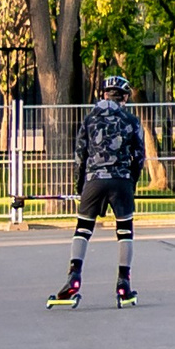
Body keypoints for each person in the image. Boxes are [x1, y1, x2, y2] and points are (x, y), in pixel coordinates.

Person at [49, 75, 147, 309]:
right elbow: (139, 156)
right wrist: (131, 182)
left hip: (94, 180)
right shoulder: (131, 120)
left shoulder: (90, 119)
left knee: (83, 229)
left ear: (103, 94)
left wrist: (80, 185)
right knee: (125, 231)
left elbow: (80, 156)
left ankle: (73, 276)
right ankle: (123, 282)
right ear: (125, 97)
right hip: (121, 180)